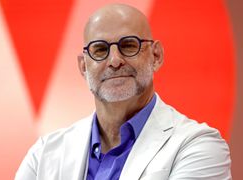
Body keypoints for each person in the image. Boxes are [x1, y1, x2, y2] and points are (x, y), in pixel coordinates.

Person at [15, 4, 231, 180]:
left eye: (129, 45)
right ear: (83, 66)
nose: (115, 61)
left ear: (156, 56)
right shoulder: (44, 153)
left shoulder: (199, 146)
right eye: (100, 49)